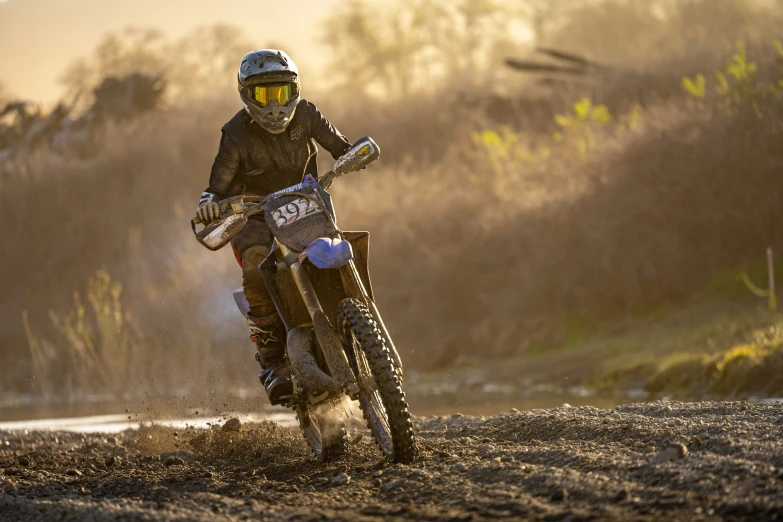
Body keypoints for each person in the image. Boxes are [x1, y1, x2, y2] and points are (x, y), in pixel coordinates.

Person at [196, 49, 352, 405]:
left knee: (338, 247)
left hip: (305, 203)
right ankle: (271, 362)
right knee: (255, 263)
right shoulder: (235, 134)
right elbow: (217, 187)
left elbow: (339, 145)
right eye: (264, 95)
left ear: (294, 91)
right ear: (246, 95)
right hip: (255, 215)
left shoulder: (307, 114)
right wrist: (209, 206)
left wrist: (353, 153)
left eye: (281, 92)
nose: (275, 105)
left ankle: (356, 320)